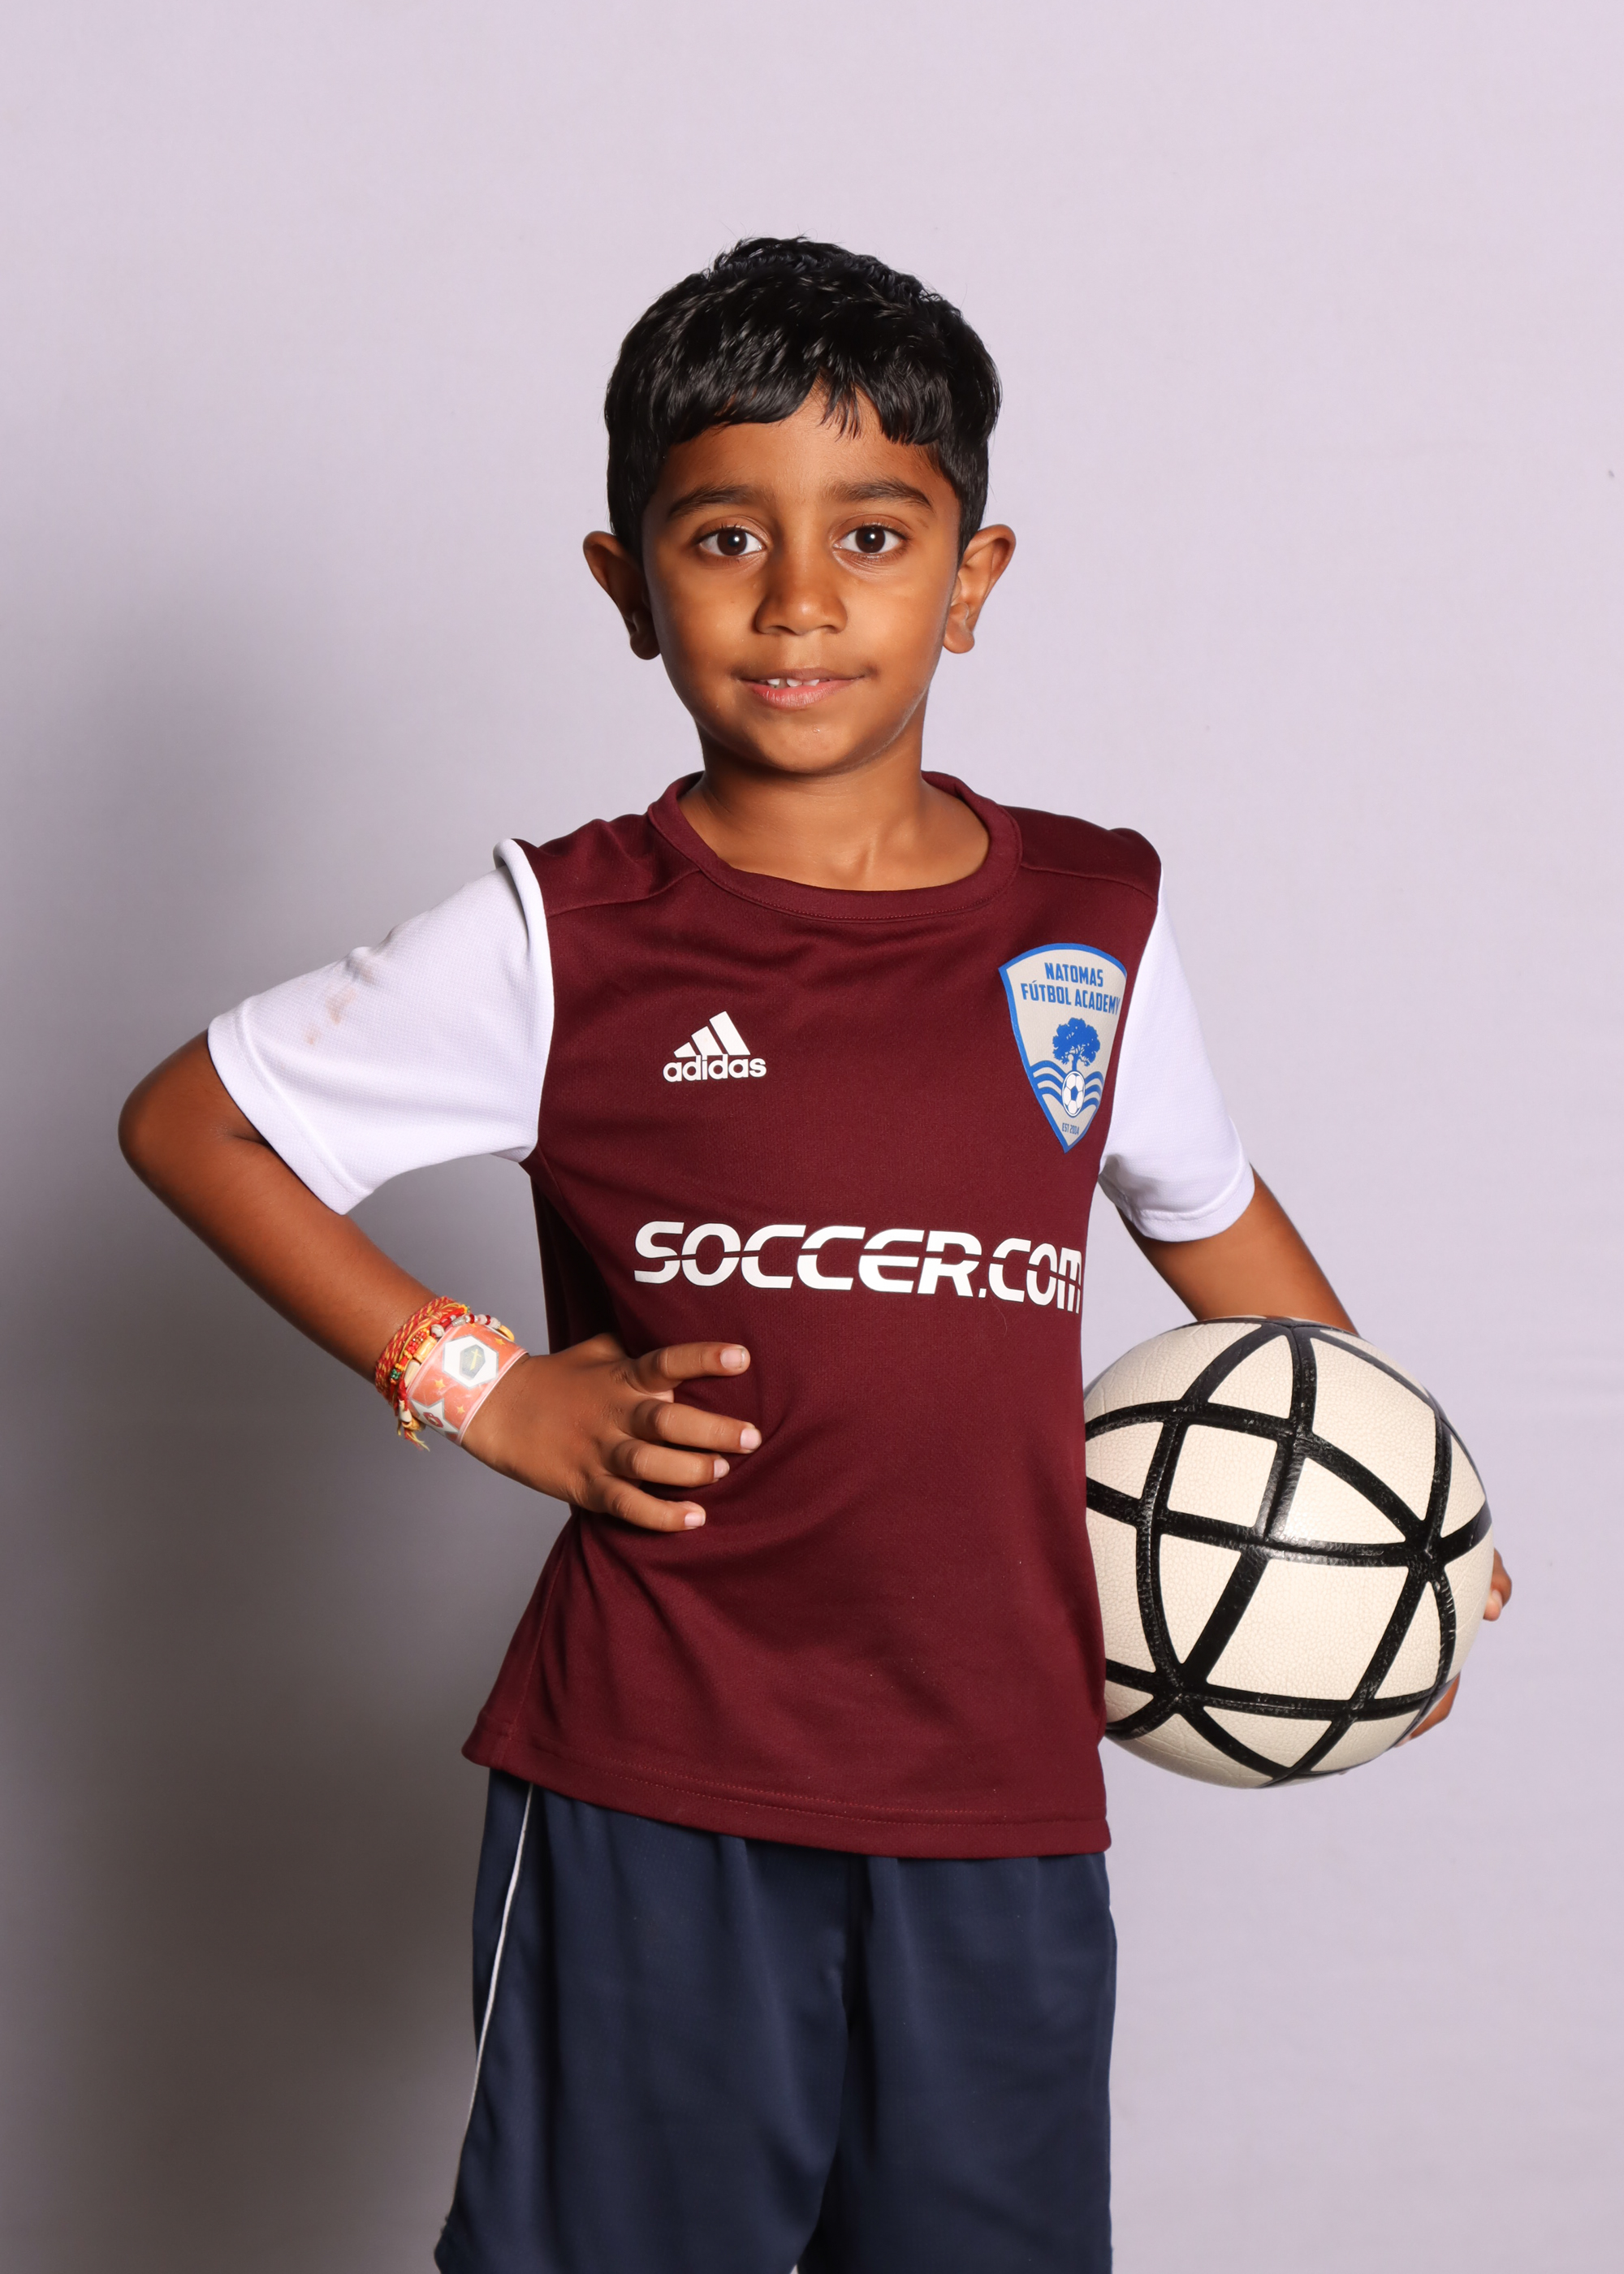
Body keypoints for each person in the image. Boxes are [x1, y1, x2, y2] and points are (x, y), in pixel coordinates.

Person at [120, 236, 1511, 2274]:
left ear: (972, 572)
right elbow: (195, 1120)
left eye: (871, 534)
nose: (798, 599)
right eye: (722, 537)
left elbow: (1208, 1214)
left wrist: (1393, 1529)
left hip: (998, 1790)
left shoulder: (1087, 921)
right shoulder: (569, 931)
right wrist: (481, 1384)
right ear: (626, 584)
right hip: (656, 1773)